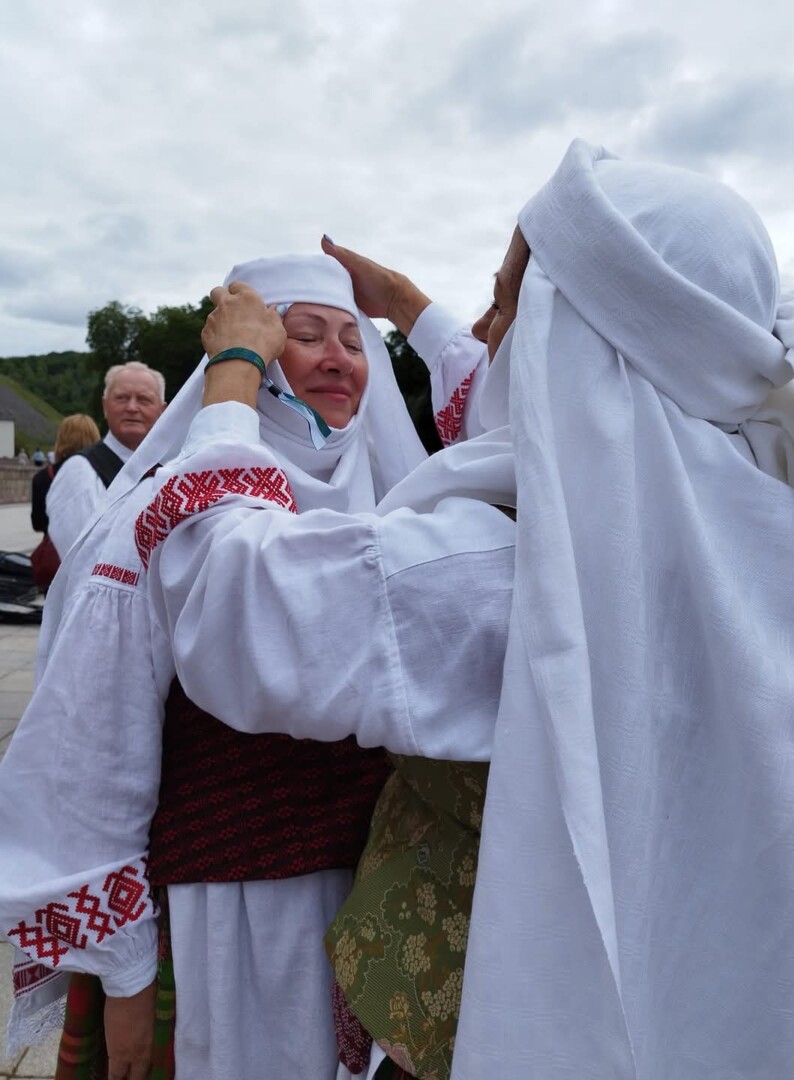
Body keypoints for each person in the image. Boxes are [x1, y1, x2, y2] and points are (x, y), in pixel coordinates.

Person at [135, 140, 794, 1079]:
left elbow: (231, 601)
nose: (491, 333)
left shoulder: (499, 571)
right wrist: (409, 308)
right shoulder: (768, 512)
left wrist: (237, 373)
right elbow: (545, 393)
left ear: (568, 335)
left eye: (513, 305)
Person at [0, 253, 496, 1080]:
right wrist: (123, 968)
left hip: (391, 900)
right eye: (304, 336)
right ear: (252, 361)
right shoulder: (163, 509)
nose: (339, 356)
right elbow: (97, 738)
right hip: (240, 897)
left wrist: (406, 305)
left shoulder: (404, 498)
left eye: (354, 339)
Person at [46, 362, 165, 558]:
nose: (132, 407)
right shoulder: (80, 471)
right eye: (122, 398)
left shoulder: (165, 471)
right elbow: (84, 561)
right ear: (105, 406)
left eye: (144, 399)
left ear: (162, 410)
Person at [30, 415, 101, 592]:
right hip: (93, 563)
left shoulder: (42, 477)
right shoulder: (102, 473)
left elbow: (37, 523)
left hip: (55, 563)